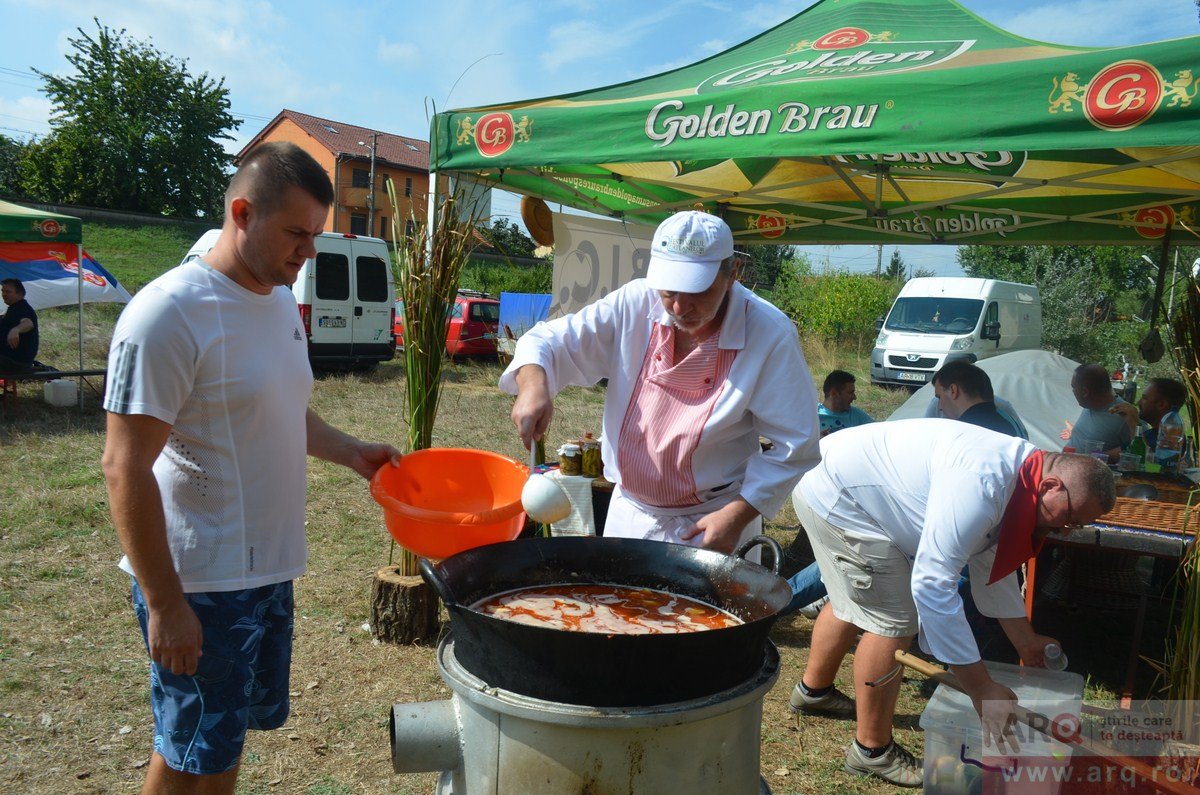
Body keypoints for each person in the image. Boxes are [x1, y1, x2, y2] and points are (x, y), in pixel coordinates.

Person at [101, 142, 401, 794]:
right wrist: (165, 602)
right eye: (297, 232)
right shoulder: (168, 315)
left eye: (315, 234)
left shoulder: (273, 301)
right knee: (187, 750)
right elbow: (124, 467)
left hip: (265, 574)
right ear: (242, 212)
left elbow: (284, 412)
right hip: (200, 584)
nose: (309, 251)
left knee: (219, 743)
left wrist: (352, 451)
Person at [790, 419, 1115, 787]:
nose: (1065, 530)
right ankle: (871, 752)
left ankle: (812, 693)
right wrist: (980, 687)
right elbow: (932, 583)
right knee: (893, 620)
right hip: (839, 493)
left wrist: (1025, 640)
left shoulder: (1022, 479)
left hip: (849, 482)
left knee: (864, 596)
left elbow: (990, 561)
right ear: (1051, 485)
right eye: (1070, 519)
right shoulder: (984, 483)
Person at [502, 210, 821, 556]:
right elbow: (547, 340)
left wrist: (737, 515)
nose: (680, 307)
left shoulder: (768, 334)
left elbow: (797, 443)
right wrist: (534, 385)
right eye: (669, 291)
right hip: (631, 516)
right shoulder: (635, 303)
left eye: (697, 290)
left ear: (732, 274)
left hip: (714, 523)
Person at [932, 360, 1026, 437]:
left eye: (939, 397)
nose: (940, 407)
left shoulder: (960, 435)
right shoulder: (1012, 423)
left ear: (953, 390)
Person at [1063, 363, 1133, 461]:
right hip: (1065, 465)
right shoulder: (1090, 403)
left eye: (1073, 387)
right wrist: (1074, 432)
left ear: (1085, 392)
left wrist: (1098, 457)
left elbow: (1137, 450)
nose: (1073, 391)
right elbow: (1098, 431)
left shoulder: (1124, 415)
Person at [1110, 376, 1187, 451]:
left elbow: (1145, 459)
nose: (1138, 403)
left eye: (1144, 398)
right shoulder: (1149, 434)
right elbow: (1115, 455)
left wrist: (1133, 423)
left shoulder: (1172, 442)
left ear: (1161, 405)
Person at [818, 370, 873, 436]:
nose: (854, 397)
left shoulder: (857, 416)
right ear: (834, 393)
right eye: (850, 393)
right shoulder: (813, 416)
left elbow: (878, 434)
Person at [0, 277, 39, 372]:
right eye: (2, 291)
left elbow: (28, 323)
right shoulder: (14, 308)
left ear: (20, 293)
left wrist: (15, 330)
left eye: (8, 292)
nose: (4, 294)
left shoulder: (22, 308)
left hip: (15, 362)